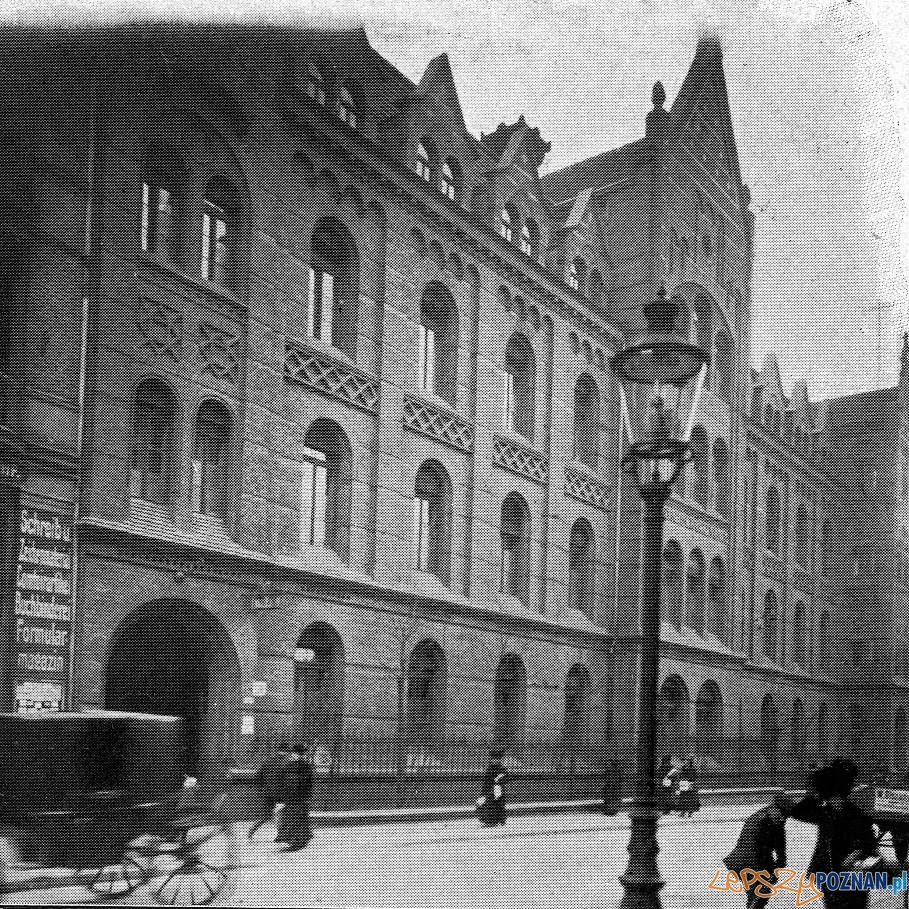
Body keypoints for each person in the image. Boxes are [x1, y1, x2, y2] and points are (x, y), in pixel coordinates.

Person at [789, 758, 879, 908]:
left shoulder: (823, 811)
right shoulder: (853, 814)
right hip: (844, 875)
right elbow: (870, 844)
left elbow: (797, 810)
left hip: (840, 874)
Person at [724, 792, 795, 909]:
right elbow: (766, 847)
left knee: (757, 896)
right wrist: (774, 867)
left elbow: (776, 842)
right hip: (751, 862)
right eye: (786, 814)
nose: (785, 818)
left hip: (741, 860)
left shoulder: (764, 815)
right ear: (780, 809)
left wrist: (778, 862)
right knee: (759, 895)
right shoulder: (772, 820)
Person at [249, 742, 292, 839]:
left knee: (267, 815)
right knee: (285, 813)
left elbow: (257, 777)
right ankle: (282, 835)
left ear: (278, 751)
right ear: (287, 751)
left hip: (268, 793)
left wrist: (260, 790)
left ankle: (252, 830)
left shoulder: (268, 761)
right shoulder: (288, 763)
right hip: (282, 794)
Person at [276, 744, 315, 850]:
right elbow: (284, 781)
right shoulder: (296, 766)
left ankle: (297, 841)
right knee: (298, 818)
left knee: (295, 818)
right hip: (295, 797)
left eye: (295, 753)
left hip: (295, 797)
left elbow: (307, 782)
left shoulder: (298, 766)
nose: (294, 755)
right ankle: (301, 839)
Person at [480, 749, 507, 826]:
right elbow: (486, 781)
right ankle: (490, 821)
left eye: (497, 759)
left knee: (498, 805)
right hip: (489, 789)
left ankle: (498, 820)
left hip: (498, 789)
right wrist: (483, 792)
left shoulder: (501, 768)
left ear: (500, 760)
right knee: (487, 804)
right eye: (493, 759)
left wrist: (499, 780)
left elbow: (505, 777)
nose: (494, 760)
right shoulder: (489, 768)